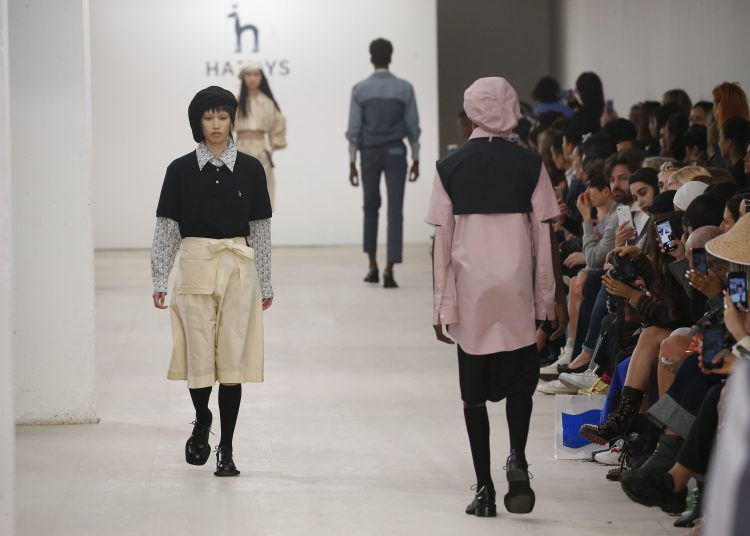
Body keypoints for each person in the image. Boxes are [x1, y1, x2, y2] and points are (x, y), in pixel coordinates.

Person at [427, 77, 561, 518]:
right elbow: (544, 239)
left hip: (473, 296)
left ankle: (484, 489)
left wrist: (442, 306)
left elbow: (442, 246)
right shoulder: (530, 164)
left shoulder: (449, 167)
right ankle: (517, 456)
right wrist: (546, 301)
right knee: (521, 383)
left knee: (473, 396)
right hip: (517, 291)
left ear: (471, 112)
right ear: (512, 110)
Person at [151, 86, 273, 477]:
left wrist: (266, 281)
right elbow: (167, 228)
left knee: (232, 360)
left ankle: (227, 450)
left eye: (223, 116)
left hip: (238, 269)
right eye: (208, 117)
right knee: (199, 356)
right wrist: (159, 277)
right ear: (197, 122)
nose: (216, 124)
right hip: (195, 266)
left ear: (232, 119)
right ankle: (203, 417)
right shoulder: (180, 170)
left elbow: (261, 229)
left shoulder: (251, 169)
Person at [346, 38, 421, 288]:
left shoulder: (360, 90)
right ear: (391, 57)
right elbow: (413, 128)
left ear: (371, 58)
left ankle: (373, 266)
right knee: (395, 210)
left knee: (370, 207)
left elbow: (354, 131)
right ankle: (390, 269)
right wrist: (416, 158)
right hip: (396, 152)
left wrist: (352, 162)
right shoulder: (404, 88)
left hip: (369, 153)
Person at [235, 59, 287, 210]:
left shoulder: (268, 103)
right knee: (238, 192)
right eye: (249, 74)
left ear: (261, 77)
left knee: (261, 193)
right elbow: (226, 126)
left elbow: (279, 124)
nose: (252, 78)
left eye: (256, 74)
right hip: (239, 150)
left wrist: (271, 148)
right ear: (243, 77)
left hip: (261, 151)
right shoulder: (235, 102)